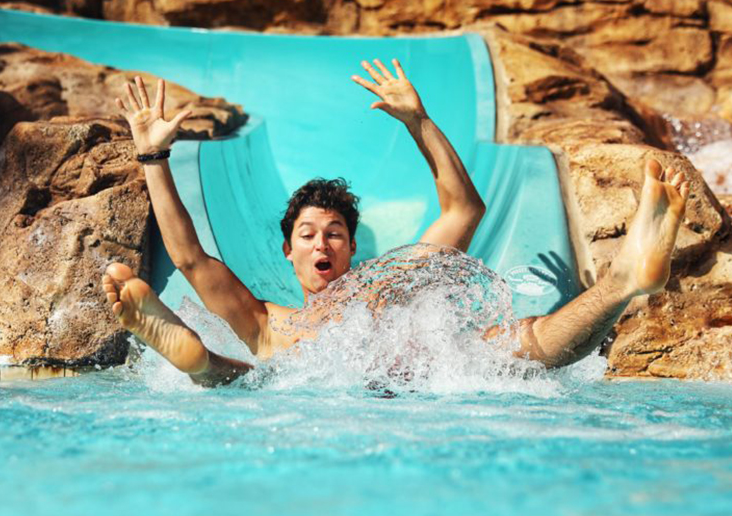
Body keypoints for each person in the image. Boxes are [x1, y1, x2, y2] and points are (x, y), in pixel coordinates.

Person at [102, 59, 689, 386]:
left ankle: (626, 280)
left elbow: (464, 209)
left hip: (404, 375)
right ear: (287, 252)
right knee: (243, 372)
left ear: (353, 246)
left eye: (333, 232)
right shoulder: (267, 321)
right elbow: (191, 260)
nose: (321, 242)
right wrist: (153, 157)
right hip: (331, 375)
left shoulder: (387, 277)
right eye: (306, 235)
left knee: (515, 341)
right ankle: (195, 356)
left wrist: (419, 120)